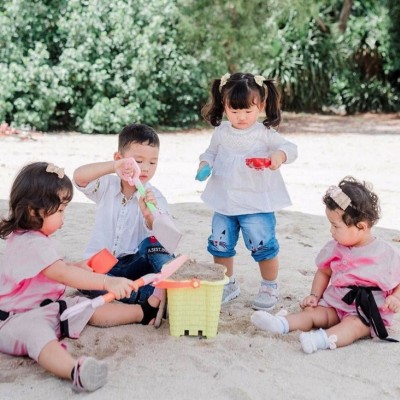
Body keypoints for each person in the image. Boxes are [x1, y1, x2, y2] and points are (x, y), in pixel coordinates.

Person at [0, 162, 162, 392]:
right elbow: (63, 275)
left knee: (86, 306)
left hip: (47, 308)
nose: (64, 217)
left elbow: (52, 268)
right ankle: (75, 370)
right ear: (33, 211)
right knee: (38, 336)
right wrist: (108, 281)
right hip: (17, 320)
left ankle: (143, 312)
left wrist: (76, 266)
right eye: (60, 211)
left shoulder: (31, 237)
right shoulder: (32, 243)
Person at [251, 176, 400, 353]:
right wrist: (314, 295)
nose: (331, 231)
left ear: (361, 226)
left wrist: (395, 297)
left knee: (352, 326)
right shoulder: (335, 247)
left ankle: (320, 340)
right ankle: (281, 324)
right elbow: (324, 272)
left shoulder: (386, 252)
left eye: (336, 226)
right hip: (336, 302)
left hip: (365, 312)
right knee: (313, 312)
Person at [196, 72, 298, 310]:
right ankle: (227, 283)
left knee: (263, 245)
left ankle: (269, 285)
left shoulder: (264, 133)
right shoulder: (221, 132)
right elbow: (210, 152)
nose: (241, 117)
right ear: (224, 105)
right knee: (220, 243)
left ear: (261, 106)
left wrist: (279, 156)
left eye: (247, 111)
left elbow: (290, 148)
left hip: (256, 203)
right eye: (234, 110)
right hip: (224, 201)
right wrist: (204, 164)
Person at [73, 123, 174, 311]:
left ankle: (172, 285)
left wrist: (149, 215)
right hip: (104, 268)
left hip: (136, 266)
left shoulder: (155, 197)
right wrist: (114, 167)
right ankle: (147, 296)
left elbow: (167, 238)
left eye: (153, 163)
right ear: (119, 158)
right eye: (139, 161)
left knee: (154, 245)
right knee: (83, 278)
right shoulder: (106, 186)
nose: (145, 168)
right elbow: (79, 177)